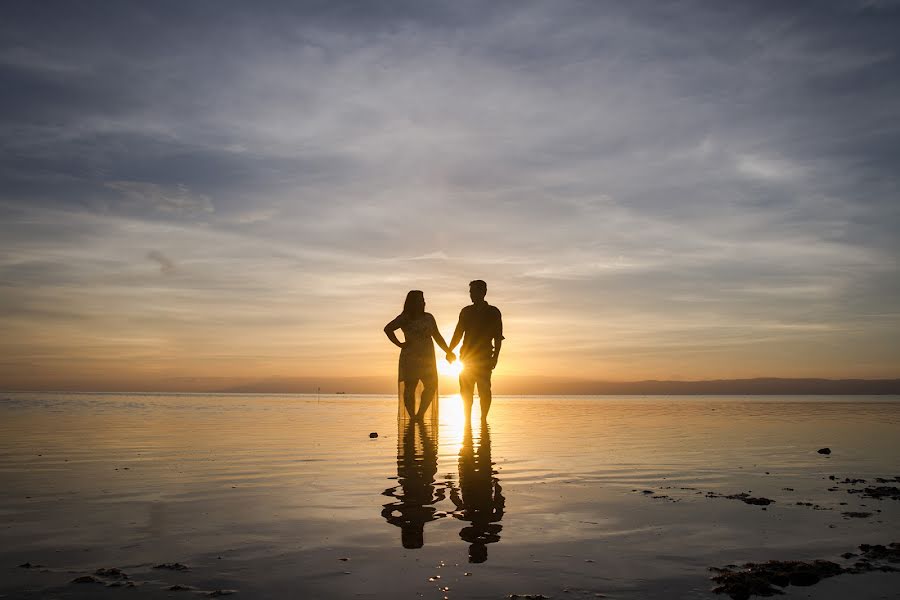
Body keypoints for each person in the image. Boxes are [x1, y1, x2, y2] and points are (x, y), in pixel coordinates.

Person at [384, 290, 455, 419]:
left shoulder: (428, 317)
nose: (423, 302)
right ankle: (412, 416)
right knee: (410, 387)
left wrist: (448, 351)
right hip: (411, 357)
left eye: (423, 300)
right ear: (412, 303)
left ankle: (420, 415)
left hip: (427, 357)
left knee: (431, 386)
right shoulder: (405, 317)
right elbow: (388, 329)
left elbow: (437, 336)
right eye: (420, 300)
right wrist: (400, 344)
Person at [448, 280, 503, 421]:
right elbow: (458, 333)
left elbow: (497, 337)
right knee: (465, 391)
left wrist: (495, 357)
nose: (472, 295)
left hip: (484, 358)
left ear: (483, 292)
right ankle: (467, 419)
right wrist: (449, 350)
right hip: (466, 357)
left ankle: (483, 419)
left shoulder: (493, 312)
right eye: (470, 292)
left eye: (474, 292)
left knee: (484, 390)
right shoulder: (466, 312)